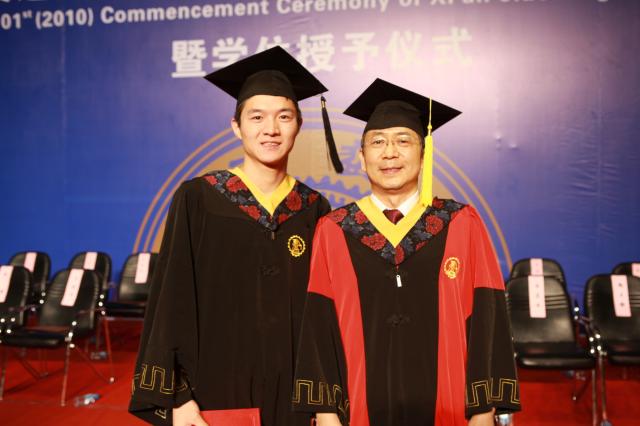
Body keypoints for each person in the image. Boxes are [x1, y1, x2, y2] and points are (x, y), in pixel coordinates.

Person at [129, 46, 342, 426]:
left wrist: (323, 403)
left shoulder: (313, 208)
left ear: (298, 125)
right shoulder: (199, 198)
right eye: (256, 117)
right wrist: (178, 397)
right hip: (214, 393)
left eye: (284, 117)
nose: (271, 129)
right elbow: (171, 301)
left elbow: (322, 317)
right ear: (236, 126)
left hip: (292, 399)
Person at [292, 79, 521, 426]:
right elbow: (318, 328)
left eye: (403, 141)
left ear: (423, 155)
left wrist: (483, 410)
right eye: (377, 142)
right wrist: (326, 414)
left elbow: (488, 322)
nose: (390, 153)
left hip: (449, 413)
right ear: (362, 158)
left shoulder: (461, 223)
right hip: (359, 414)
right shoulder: (334, 230)